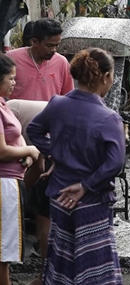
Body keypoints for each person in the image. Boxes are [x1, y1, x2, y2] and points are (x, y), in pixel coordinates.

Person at [27, 48, 126, 285]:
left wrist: (56, 154)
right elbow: (115, 162)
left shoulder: (58, 104)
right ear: (104, 77)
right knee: (95, 266)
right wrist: (85, 185)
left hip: (59, 197)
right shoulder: (108, 117)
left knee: (61, 259)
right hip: (92, 202)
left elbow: (34, 131)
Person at [6, 18, 74, 285]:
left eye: (57, 45)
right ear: (33, 42)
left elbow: (69, 103)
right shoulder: (12, 61)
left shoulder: (61, 63)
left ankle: (46, 273)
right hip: (13, 147)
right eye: (49, 45)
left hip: (48, 148)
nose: (54, 51)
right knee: (13, 209)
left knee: (43, 211)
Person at [0, 54, 41, 285]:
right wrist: (31, 151)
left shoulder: (3, 105)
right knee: (3, 248)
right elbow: (1, 150)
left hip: (11, 180)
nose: (14, 83)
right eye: (10, 78)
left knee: (6, 246)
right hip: (3, 183)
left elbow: (14, 139)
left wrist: (26, 151)